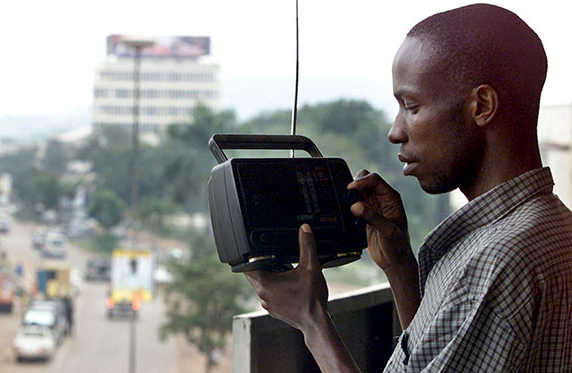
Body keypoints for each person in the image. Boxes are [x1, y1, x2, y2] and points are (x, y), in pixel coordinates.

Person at [244, 4, 572, 372]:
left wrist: (311, 320)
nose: (395, 131)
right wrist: (400, 267)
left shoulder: (494, 264)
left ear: (481, 105)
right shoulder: (552, 227)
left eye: (411, 107)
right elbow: (432, 357)